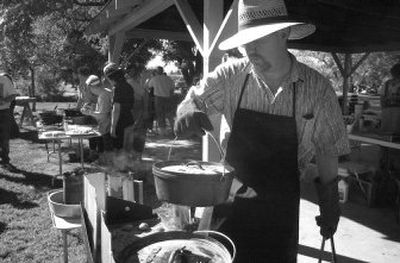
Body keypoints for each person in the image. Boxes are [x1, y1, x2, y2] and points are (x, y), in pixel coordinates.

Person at [174, 0, 350, 262]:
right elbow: (193, 100)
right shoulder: (230, 75)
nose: (250, 49)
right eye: (246, 41)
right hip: (230, 196)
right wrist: (186, 110)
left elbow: (327, 149)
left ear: (283, 35)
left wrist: (329, 204)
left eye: (259, 39)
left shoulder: (318, 89)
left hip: (281, 207)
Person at [103, 62, 134, 150]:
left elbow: (116, 109)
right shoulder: (128, 86)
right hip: (129, 120)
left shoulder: (118, 88)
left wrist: (113, 127)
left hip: (121, 123)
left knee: (119, 151)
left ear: (111, 77)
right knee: (128, 150)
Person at [81, 75, 113, 153]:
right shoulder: (107, 91)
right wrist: (93, 107)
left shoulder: (102, 96)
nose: (90, 90)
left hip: (105, 128)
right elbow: (105, 109)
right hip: (108, 126)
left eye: (90, 88)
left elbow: (103, 115)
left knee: (106, 154)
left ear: (93, 87)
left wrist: (89, 112)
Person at [148, 66, 175, 136]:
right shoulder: (168, 78)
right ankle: (174, 129)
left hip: (158, 98)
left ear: (157, 72)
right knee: (169, 114)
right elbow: (172, 88)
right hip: (168, 97)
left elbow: (148, 86)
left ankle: (163, 132)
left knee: (160, 114)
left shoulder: (154, 79)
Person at [0, 72, 18, 167]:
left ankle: (5, 161)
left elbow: (12, 95)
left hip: (3, 112)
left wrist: (3, 100)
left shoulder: (4, 79)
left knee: (4, 138)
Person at [380, 63, 400, 134]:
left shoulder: (387, 83)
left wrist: (383, 110)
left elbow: (382, 98)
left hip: (387, 111)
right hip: (397, 113)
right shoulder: (387, 83)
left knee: (386, 135)